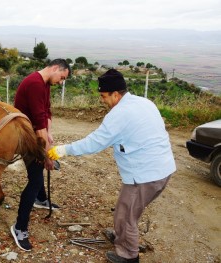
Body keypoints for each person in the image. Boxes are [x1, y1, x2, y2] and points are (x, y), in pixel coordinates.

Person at [48, 69, 176, 262]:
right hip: (162, 169)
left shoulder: (119, 114)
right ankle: (121, 237)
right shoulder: (144, 102)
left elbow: (95, 142)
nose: (102, 100)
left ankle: (128, 255)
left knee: (126, 216)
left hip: (145, 175)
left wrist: (63, 150)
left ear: (116, 94)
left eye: (103, 96)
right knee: (125, 209)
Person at [10, 59, 71, 251]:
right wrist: (46, 156)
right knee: (35, 179)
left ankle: (40, 199)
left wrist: (49, 135)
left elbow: (46, 113)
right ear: (55, 68)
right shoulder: (35, 84)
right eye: (62, 77)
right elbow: (38, 124)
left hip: (35, 133)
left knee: (37, 171)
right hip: (25, 136)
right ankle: (19, 228)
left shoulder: (44, 83)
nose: (61, 82)